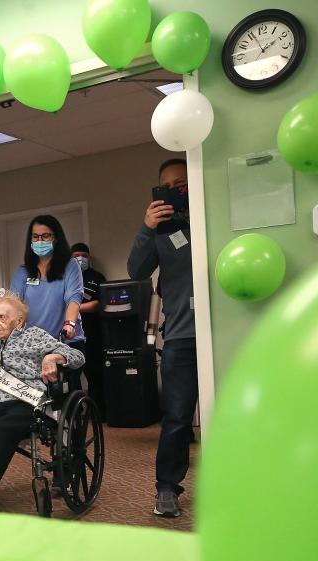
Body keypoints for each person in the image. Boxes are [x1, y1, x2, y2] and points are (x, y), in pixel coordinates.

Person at [0, 291, 84, 510]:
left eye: (2, 317)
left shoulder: (36, 336)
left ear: (19, 321)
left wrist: (52, 357)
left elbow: (77, 357)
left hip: (22, 402)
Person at [126, 157, 197, 519]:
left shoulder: (211, 213)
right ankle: (167, 488)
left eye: (182, 182)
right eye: (168, 185)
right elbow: (135, 271)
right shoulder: (159, 230)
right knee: (177, 417)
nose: (176, 189)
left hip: (224, 331)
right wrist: (146, 228)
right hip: (182, 336)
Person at [9, 215, 85, 376]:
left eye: (46, 236)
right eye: (35, 237)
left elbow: (74, 297)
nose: (40, 240)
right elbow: (13, 305)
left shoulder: (70, 266)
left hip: (64, 340)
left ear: (56, 238)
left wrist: (69, 324)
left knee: (66, 392)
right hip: (33, 343)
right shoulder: (23, 271)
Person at [69, 243, 107, 417]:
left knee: (95, 374)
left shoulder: (97, 277)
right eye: (76, 255)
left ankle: (98, 413)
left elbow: (97, 304)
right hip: (70, 335)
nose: (80, 258)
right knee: (71, 376)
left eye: (84, 255)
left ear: (89, 257)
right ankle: (74, 413)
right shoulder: (64, 277)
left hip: (93, 333)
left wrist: (73, 308)